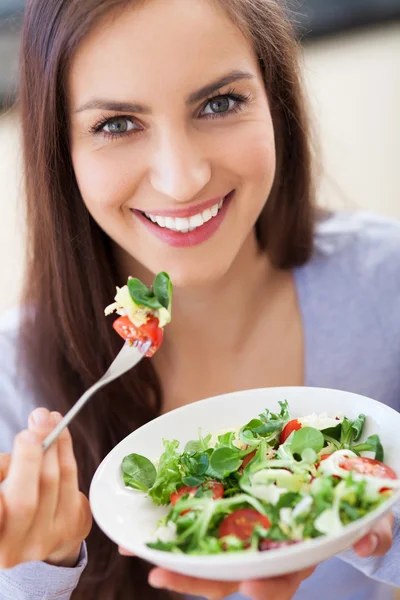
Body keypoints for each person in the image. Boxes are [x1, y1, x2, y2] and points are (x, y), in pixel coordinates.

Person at [0, 0, 399, 599]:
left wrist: (386, 535)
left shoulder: (384, 285)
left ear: (275, 101)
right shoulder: (10, 382)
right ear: (62, 150)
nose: (182, 178)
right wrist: (41, 568)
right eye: (116, 124)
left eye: (219, 103)